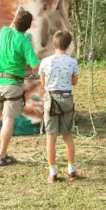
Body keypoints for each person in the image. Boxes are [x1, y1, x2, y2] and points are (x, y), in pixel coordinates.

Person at [0, 7, 40, 167]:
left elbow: (13, 24)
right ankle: (2, 156)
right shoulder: (25, 42)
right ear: (28, 27)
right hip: (13, 84)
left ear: (14, 21)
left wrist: (17, 14)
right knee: (7, 120)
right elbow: (35, 64)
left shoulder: (5, 32)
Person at [38, 30, 80, 183]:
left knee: (51, 137)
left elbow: (43, 82)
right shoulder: (72, 62)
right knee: (67, 135)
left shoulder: (45, 61)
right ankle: (71, 169)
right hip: (67, 98)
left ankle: (53, 172)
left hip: (51, 98)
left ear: (54, 43)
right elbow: (74, 81)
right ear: (68, 46)